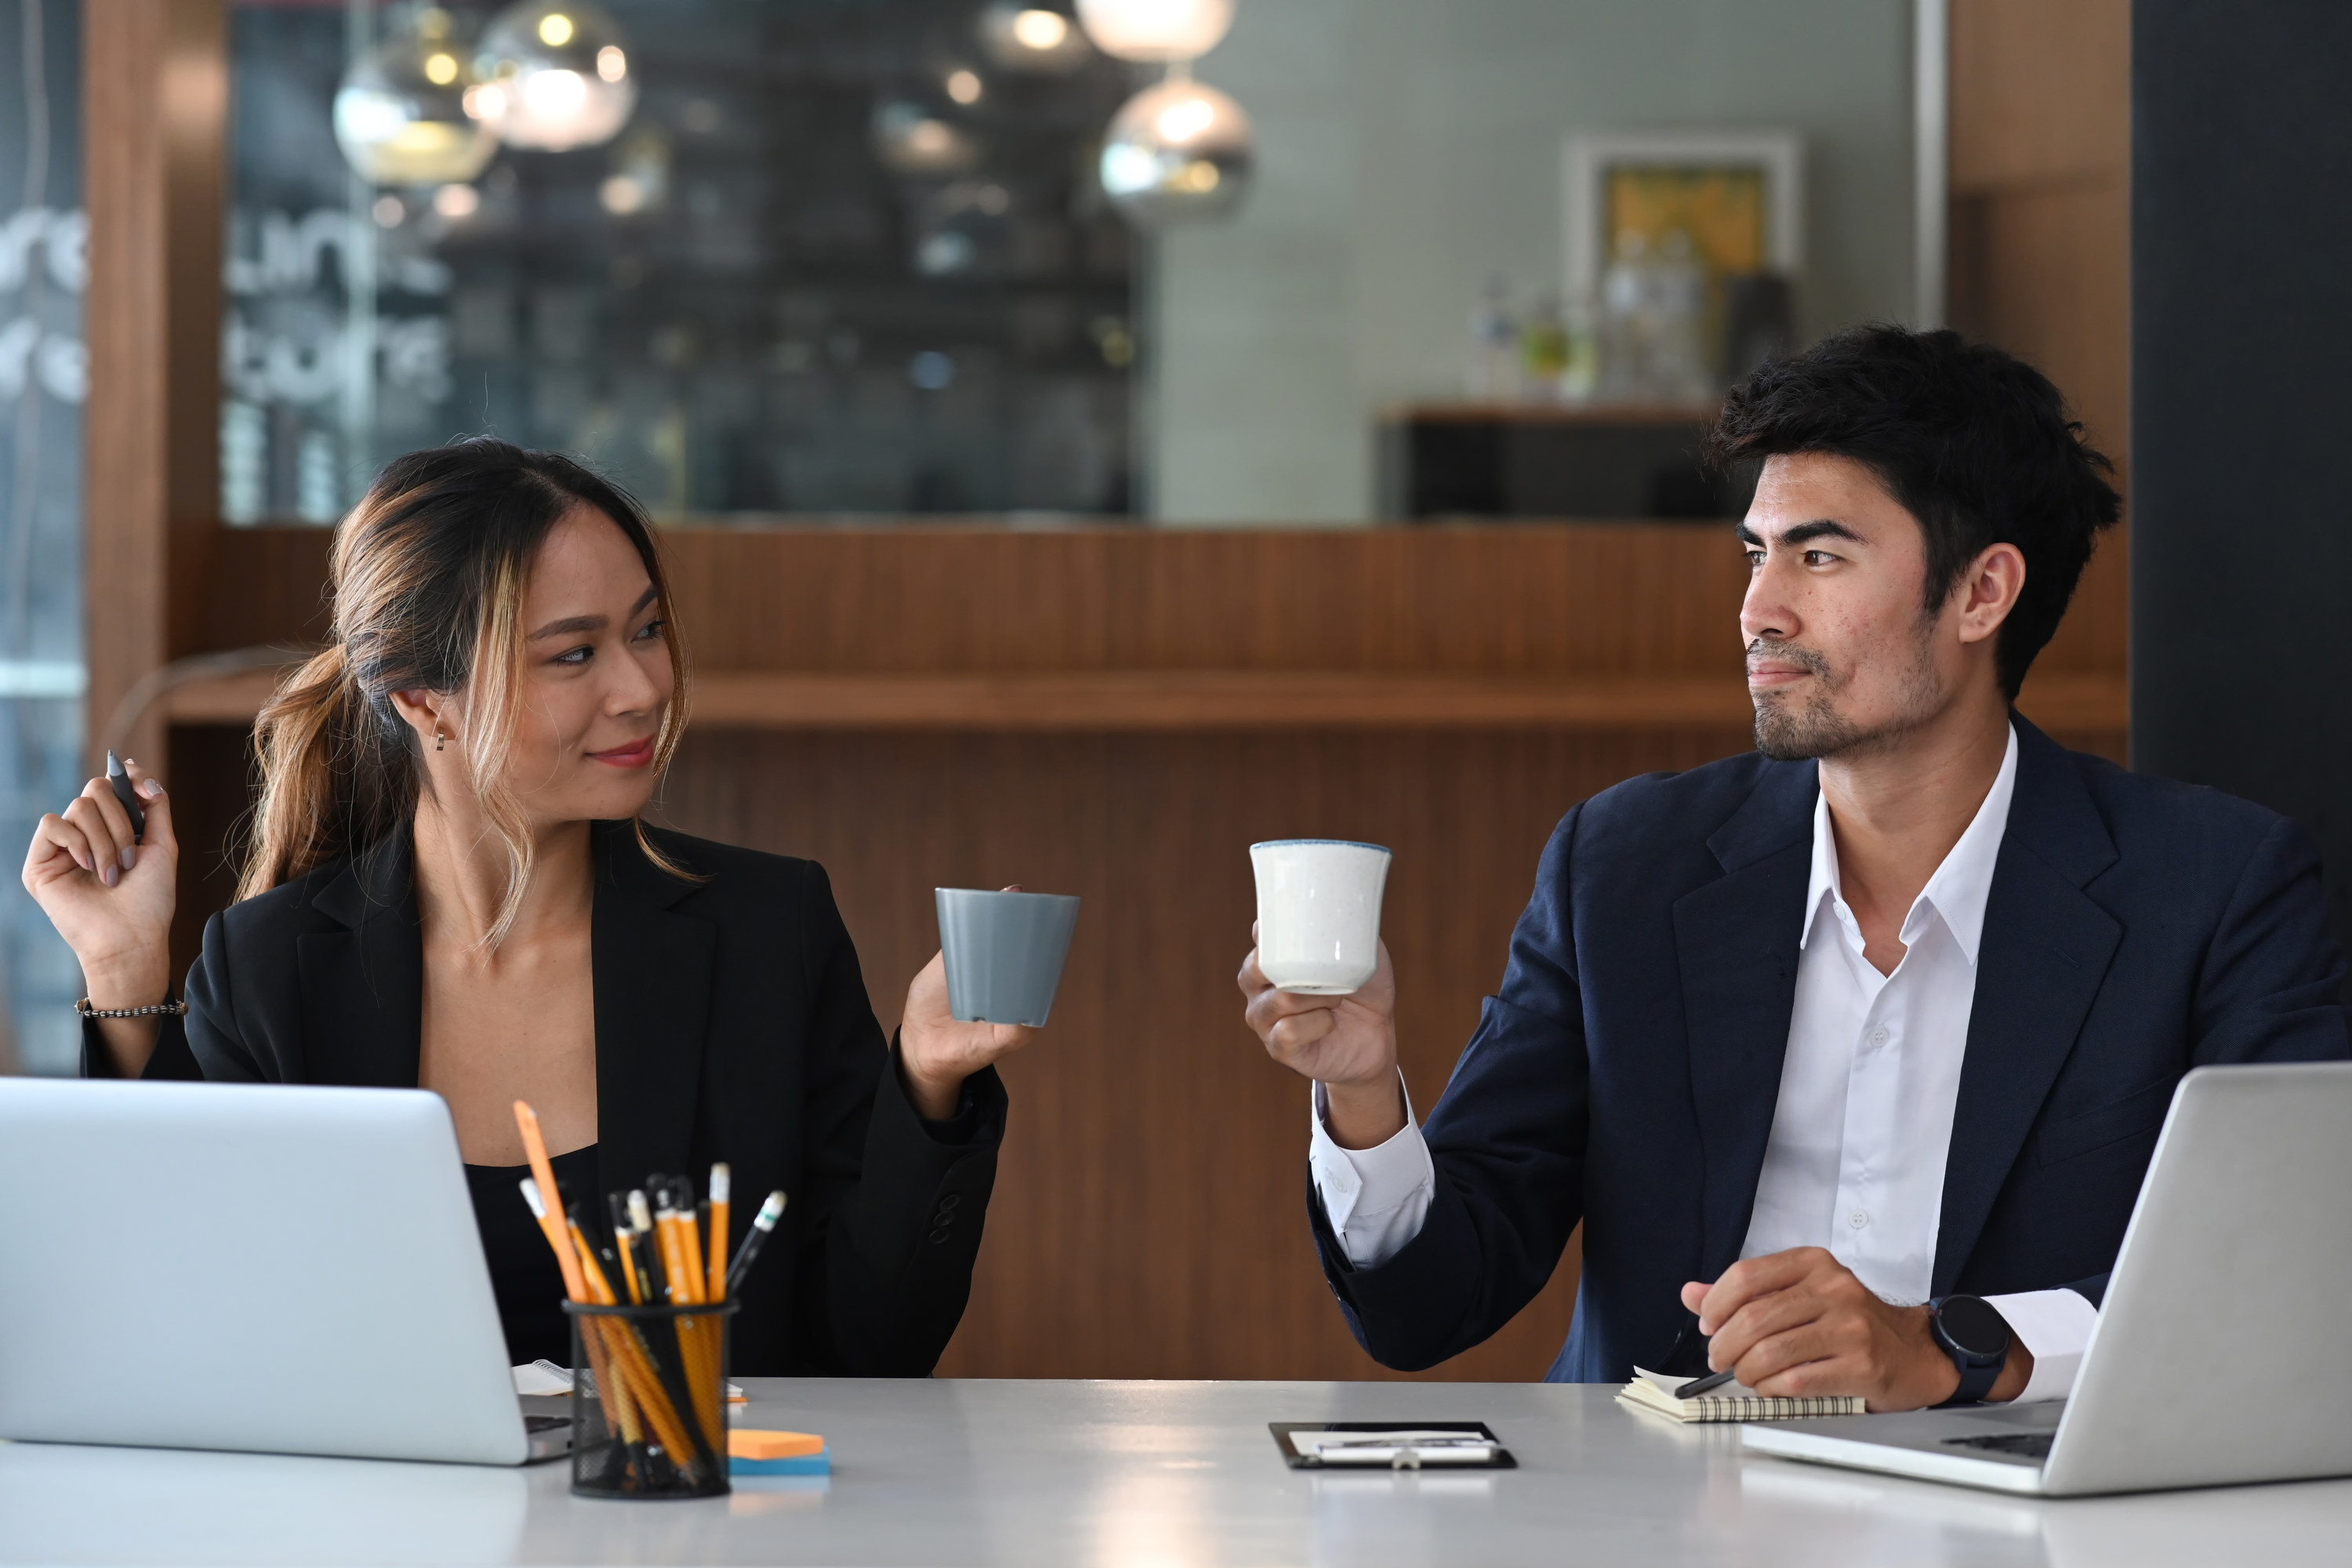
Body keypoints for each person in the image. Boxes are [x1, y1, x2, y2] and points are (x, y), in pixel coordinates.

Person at [1240, 326, 2350, 1410]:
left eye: (1819, 556)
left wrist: (1948, 1349)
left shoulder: (2210, 889)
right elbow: (1428, 1308)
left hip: (2011, 1515)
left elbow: (2290, 1273)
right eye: (1756, 553)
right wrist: (1366, 1098)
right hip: (1664, 1517)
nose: (1758, 611)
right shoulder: (1627, 867)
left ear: (1982, 594)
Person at [23, 439, 1034, 1375]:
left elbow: (872, 1349)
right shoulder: (272, 963)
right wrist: (122, 975)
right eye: (573, 653)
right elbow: (177, 1322)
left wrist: (927, 1082)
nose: (643, 688)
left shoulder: (770, 930)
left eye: (646, 631)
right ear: (422, 700)